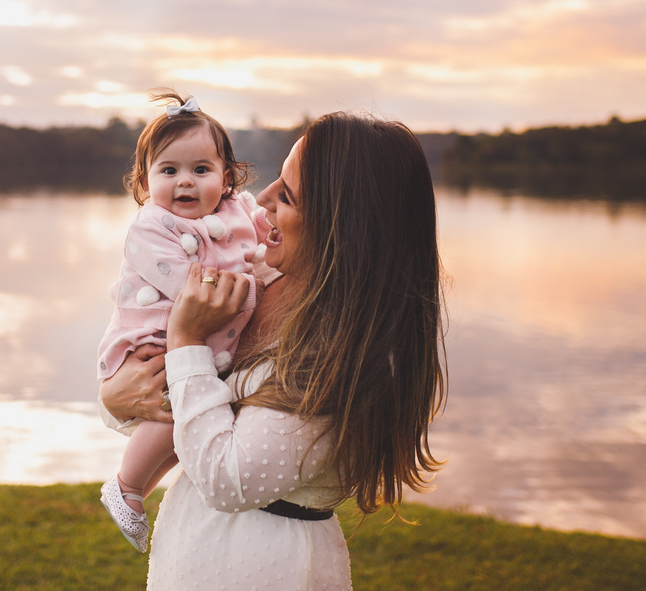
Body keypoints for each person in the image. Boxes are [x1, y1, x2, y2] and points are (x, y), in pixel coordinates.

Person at [100, 112, 447, 591]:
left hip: (267, 567)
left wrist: (185, 340)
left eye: (286, 194)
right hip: (195, 557)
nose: (260, 198)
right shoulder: (264, 283)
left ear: (342, 223)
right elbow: (180, 400)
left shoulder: (342, 346)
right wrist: (116, 399)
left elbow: (227, 479)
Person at [98, 91, 272, 552]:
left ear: (227, 177)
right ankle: (127, 485)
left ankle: (143, 485)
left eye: (201, 170)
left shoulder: (239, 211)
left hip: (204, 340)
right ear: (144, 179)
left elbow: (267, 241)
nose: (185, 183)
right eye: (168, 171)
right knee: (172, 409)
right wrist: (243, 291)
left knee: (185, 422)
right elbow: (184, 286)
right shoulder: (152, 226)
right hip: (155, 337)